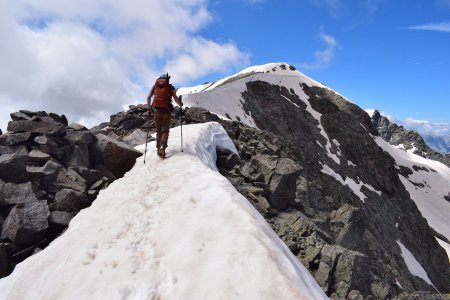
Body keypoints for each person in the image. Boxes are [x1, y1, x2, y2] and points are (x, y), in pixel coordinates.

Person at [147, 73, 183, 158]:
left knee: (158, 131)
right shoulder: (170, 87)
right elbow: (175, 98)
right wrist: (181, 104)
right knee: (165, 131)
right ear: (167, 79)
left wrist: (149, 108)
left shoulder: (155, 86)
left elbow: (148, 97)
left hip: (156, 112)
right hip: (166, 112)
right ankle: (162, 147)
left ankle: (158, 148)